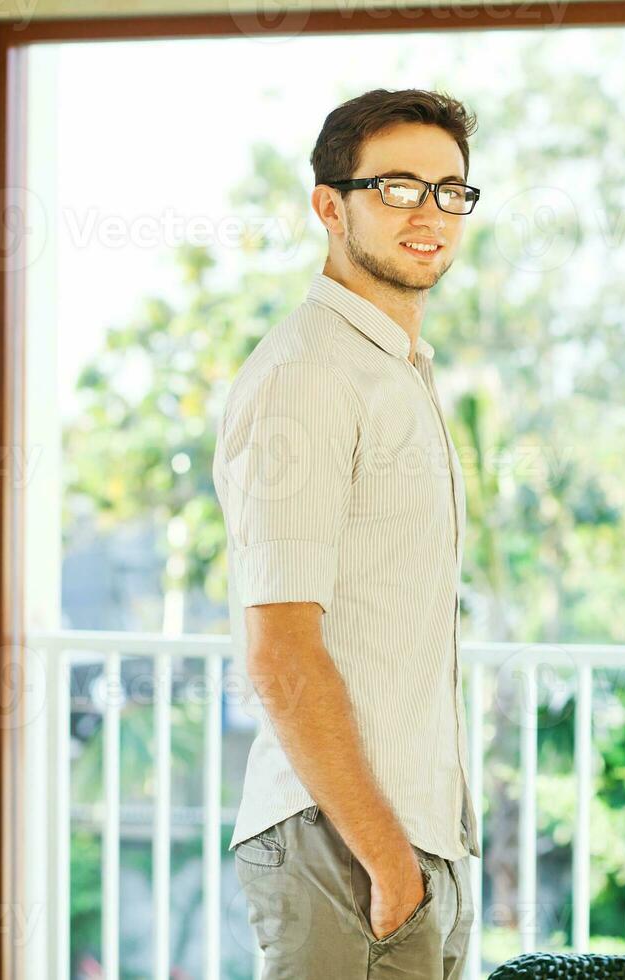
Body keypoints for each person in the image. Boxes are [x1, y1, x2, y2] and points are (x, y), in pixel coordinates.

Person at [214, 87, 483, 978]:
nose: (429, 214)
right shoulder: (310, 377)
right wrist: (388, 865)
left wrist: (418, 861)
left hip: (408, 841)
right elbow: (280, 651)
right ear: (330, 205)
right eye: (398, 188)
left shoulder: (395, 370)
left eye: (450, 191)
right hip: (349, 847)